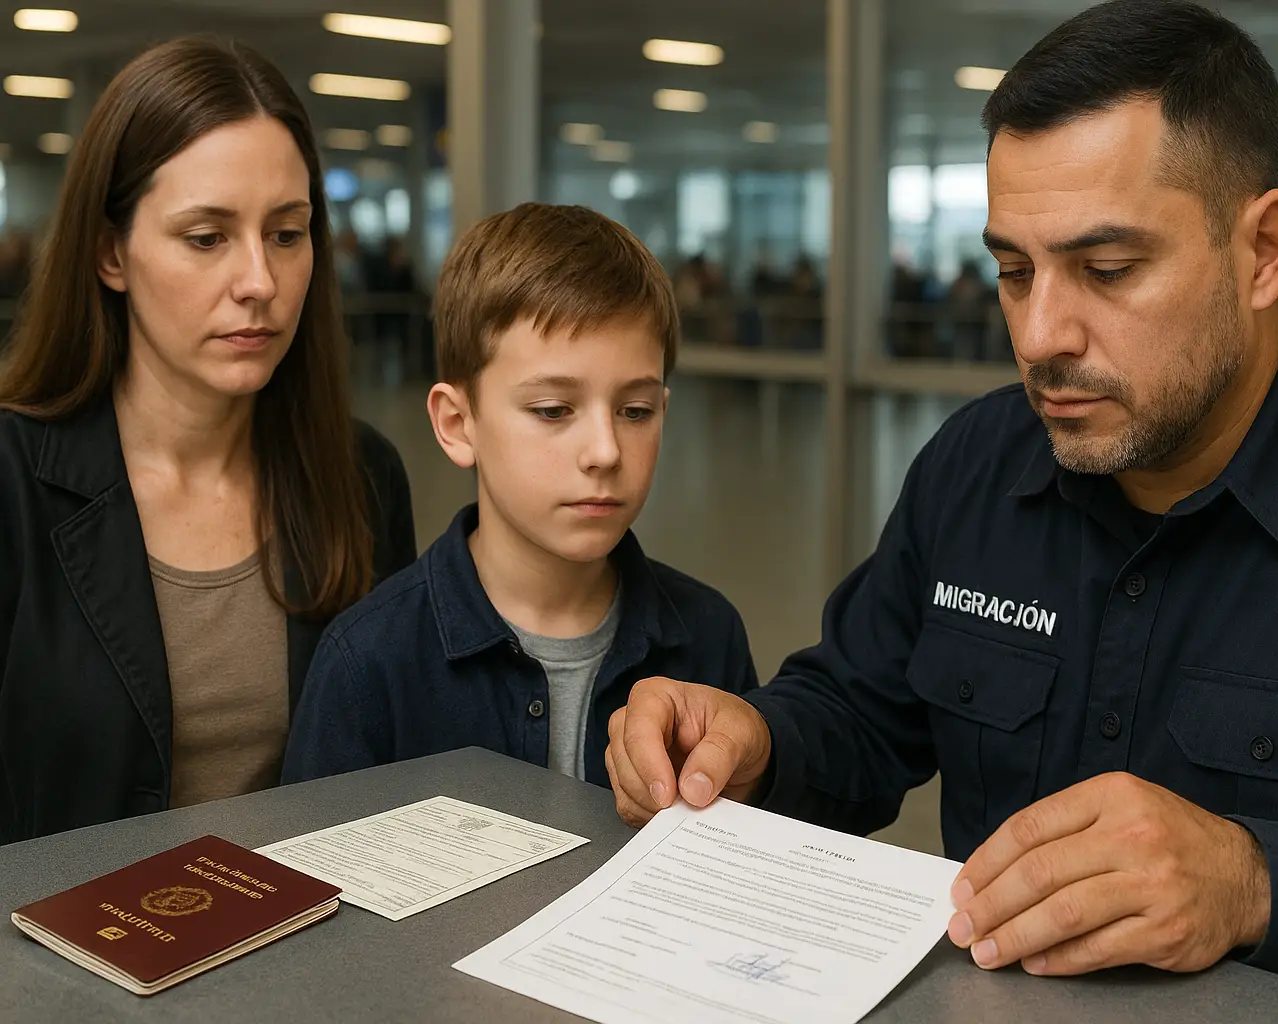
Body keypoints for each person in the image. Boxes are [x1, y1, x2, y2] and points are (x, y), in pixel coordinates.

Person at [602, 3, 1278, 1021]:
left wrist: (1254, 882)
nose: (1040, 334)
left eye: (1107, 270)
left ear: (1264, 251)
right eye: (1014, 272)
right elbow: (862, 710)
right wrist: (757, 741)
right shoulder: (977, 463)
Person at [0, 38, 417, 845]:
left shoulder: (362, 475)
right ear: (110, 252)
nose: (259, 281)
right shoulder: (13, 481)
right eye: (206, 237)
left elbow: (402, 759)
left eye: (287, 234)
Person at [282, 203, 757, 785]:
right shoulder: (369, 661)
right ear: (458, 424)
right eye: (553, 410)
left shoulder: (710, 637)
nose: (605, 451)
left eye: (635, 411)